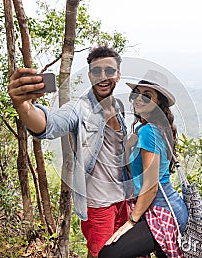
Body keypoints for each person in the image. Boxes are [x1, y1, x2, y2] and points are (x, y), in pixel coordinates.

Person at [7, 45, 130, 258]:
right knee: (102, 254)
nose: (103, 76)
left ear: (118, 76)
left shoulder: (118, 107)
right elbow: (50, 125)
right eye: (96, 71)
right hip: (98, 205)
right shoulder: (79, 108)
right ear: (90, 75)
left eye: (109, 71)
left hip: (123, 200)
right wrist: (24, 108)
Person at [99, 70, 188, 258]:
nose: (138, 99)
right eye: (136, 93)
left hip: (162, 211)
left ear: (158, 103)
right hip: (156, 207)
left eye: (147, 96)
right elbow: (136, 173)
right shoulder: (146, 129)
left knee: (108, 254)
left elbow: (150, 185)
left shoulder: (149, 131)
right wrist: (130, 147)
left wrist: (131, 221)